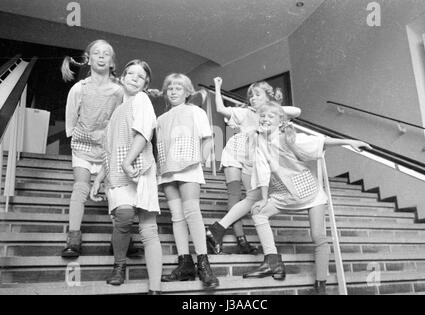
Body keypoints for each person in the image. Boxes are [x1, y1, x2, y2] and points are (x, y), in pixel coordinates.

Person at [244, 101, 372, 295]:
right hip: (284, 194)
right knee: (259, 214)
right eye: (262, 116)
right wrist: (263, 198)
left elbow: (322, 141)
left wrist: (349, 142)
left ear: (280, 122)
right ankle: (273, 262)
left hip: (308, 192)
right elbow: (262, 171)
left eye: (271, 117)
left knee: (318, 237)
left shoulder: (288, 137)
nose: (265, 119)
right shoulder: (260, 142)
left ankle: (320, 286)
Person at [90, 59, 162, 294]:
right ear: (122, 77)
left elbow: (144, 133)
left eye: (140, 76)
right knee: (123, 215)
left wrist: (128, 160)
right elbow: (110, 149)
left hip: (140, 169)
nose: (133, 77)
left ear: (145, 83)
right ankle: (119, 266)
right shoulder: (117, 111)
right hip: (118, 173)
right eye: (130, 73)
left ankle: (156, 287)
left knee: (148, 228)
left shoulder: (142, 100)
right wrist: (100, 177)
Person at [206, 78, 301, 255]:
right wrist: (218, 87)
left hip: (253, 158)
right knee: (235, 194)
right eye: (251, 95)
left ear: (267, 97)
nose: (252, 98)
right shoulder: (243, 112)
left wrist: (270, 107)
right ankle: (240, 240)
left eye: (257, 95)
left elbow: (297, 111)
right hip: (234, 152)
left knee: (253, 197)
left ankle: (217, 230)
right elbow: (220, 109)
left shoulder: (269, 114)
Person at [61, 39, 124, 258]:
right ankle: (73, 238)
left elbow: (120, 121)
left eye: (106, 53)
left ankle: (121, 239)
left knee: (114, 190)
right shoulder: (79, 88)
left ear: (111, 62)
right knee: (81, 187)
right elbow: (71, 119)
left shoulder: (118, 91)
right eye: (96, 53)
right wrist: (79, 136)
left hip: (107, 148)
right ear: (89, 59)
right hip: (82, 146)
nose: (101, 56)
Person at [157, 73, 219, 289]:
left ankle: (204, 263)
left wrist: (200, 161)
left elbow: (208, 139)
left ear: (187, 92)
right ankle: (185, 264)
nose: (174, 91)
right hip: (167, 171)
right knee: (177, 217)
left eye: (179, 88)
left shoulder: (196, 111)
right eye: (170, 88)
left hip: (189, 168)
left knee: (192, 212)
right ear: (166, 92)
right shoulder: (161, 119)